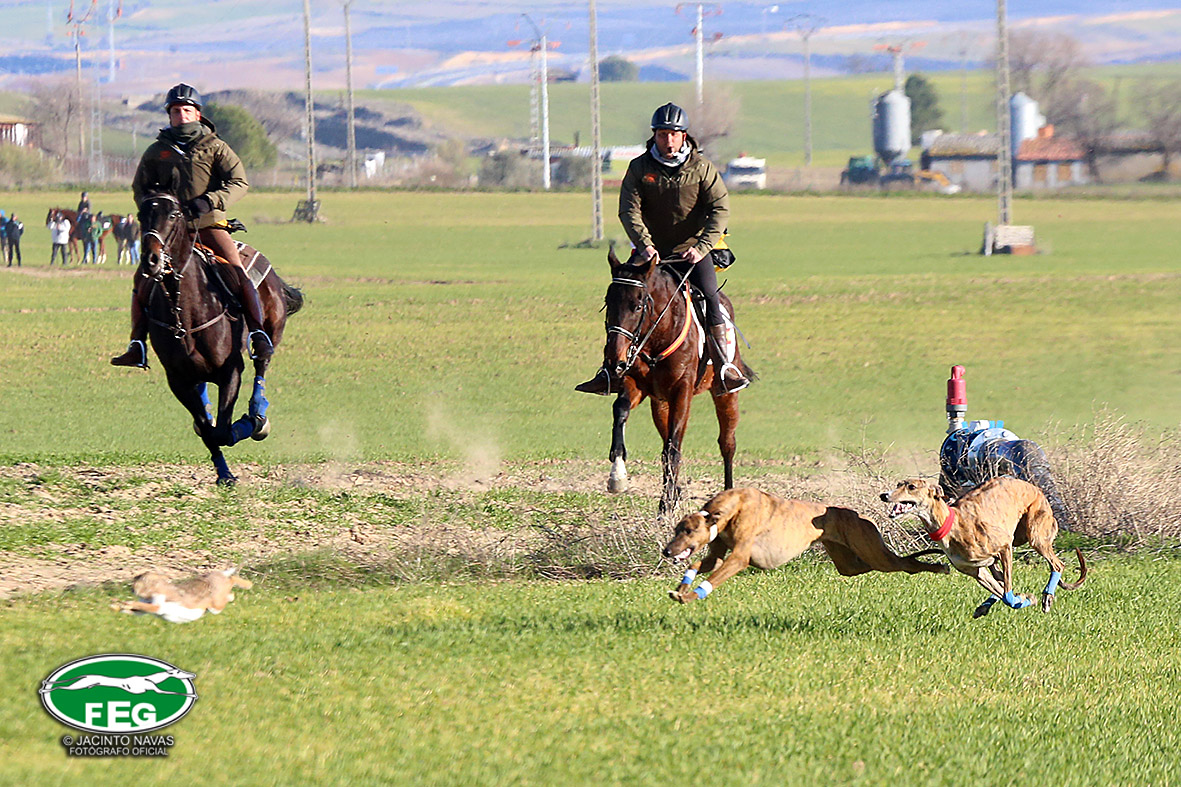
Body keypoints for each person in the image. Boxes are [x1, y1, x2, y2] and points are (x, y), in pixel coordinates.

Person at [576, 102, 750, 396]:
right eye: (662, 134)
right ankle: (609, 372)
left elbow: (720, 210)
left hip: (692, 252)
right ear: (654, 136)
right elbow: (629, 210)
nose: (668, 141)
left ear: (684, 136)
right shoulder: (639, 168)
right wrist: (645, 245)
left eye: (673, 134)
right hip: (650, 254)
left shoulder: (702, 168)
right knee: (623, 297)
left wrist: (701, 247)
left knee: (710, 298)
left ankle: (724, 369)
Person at [111, 83, 272, 369]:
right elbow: (140, 188)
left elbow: (239, 182)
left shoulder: (215, 147)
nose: (181, 115)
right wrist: (154, 210)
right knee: (143, 279)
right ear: (169, 115)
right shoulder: (157, 151)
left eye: (187, 110)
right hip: (169, 231)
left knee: (237, 272)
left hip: (208, 224)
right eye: (175, 111)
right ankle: (137, 345)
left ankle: (258, 334)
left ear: (197, 114)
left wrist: (210, 201)